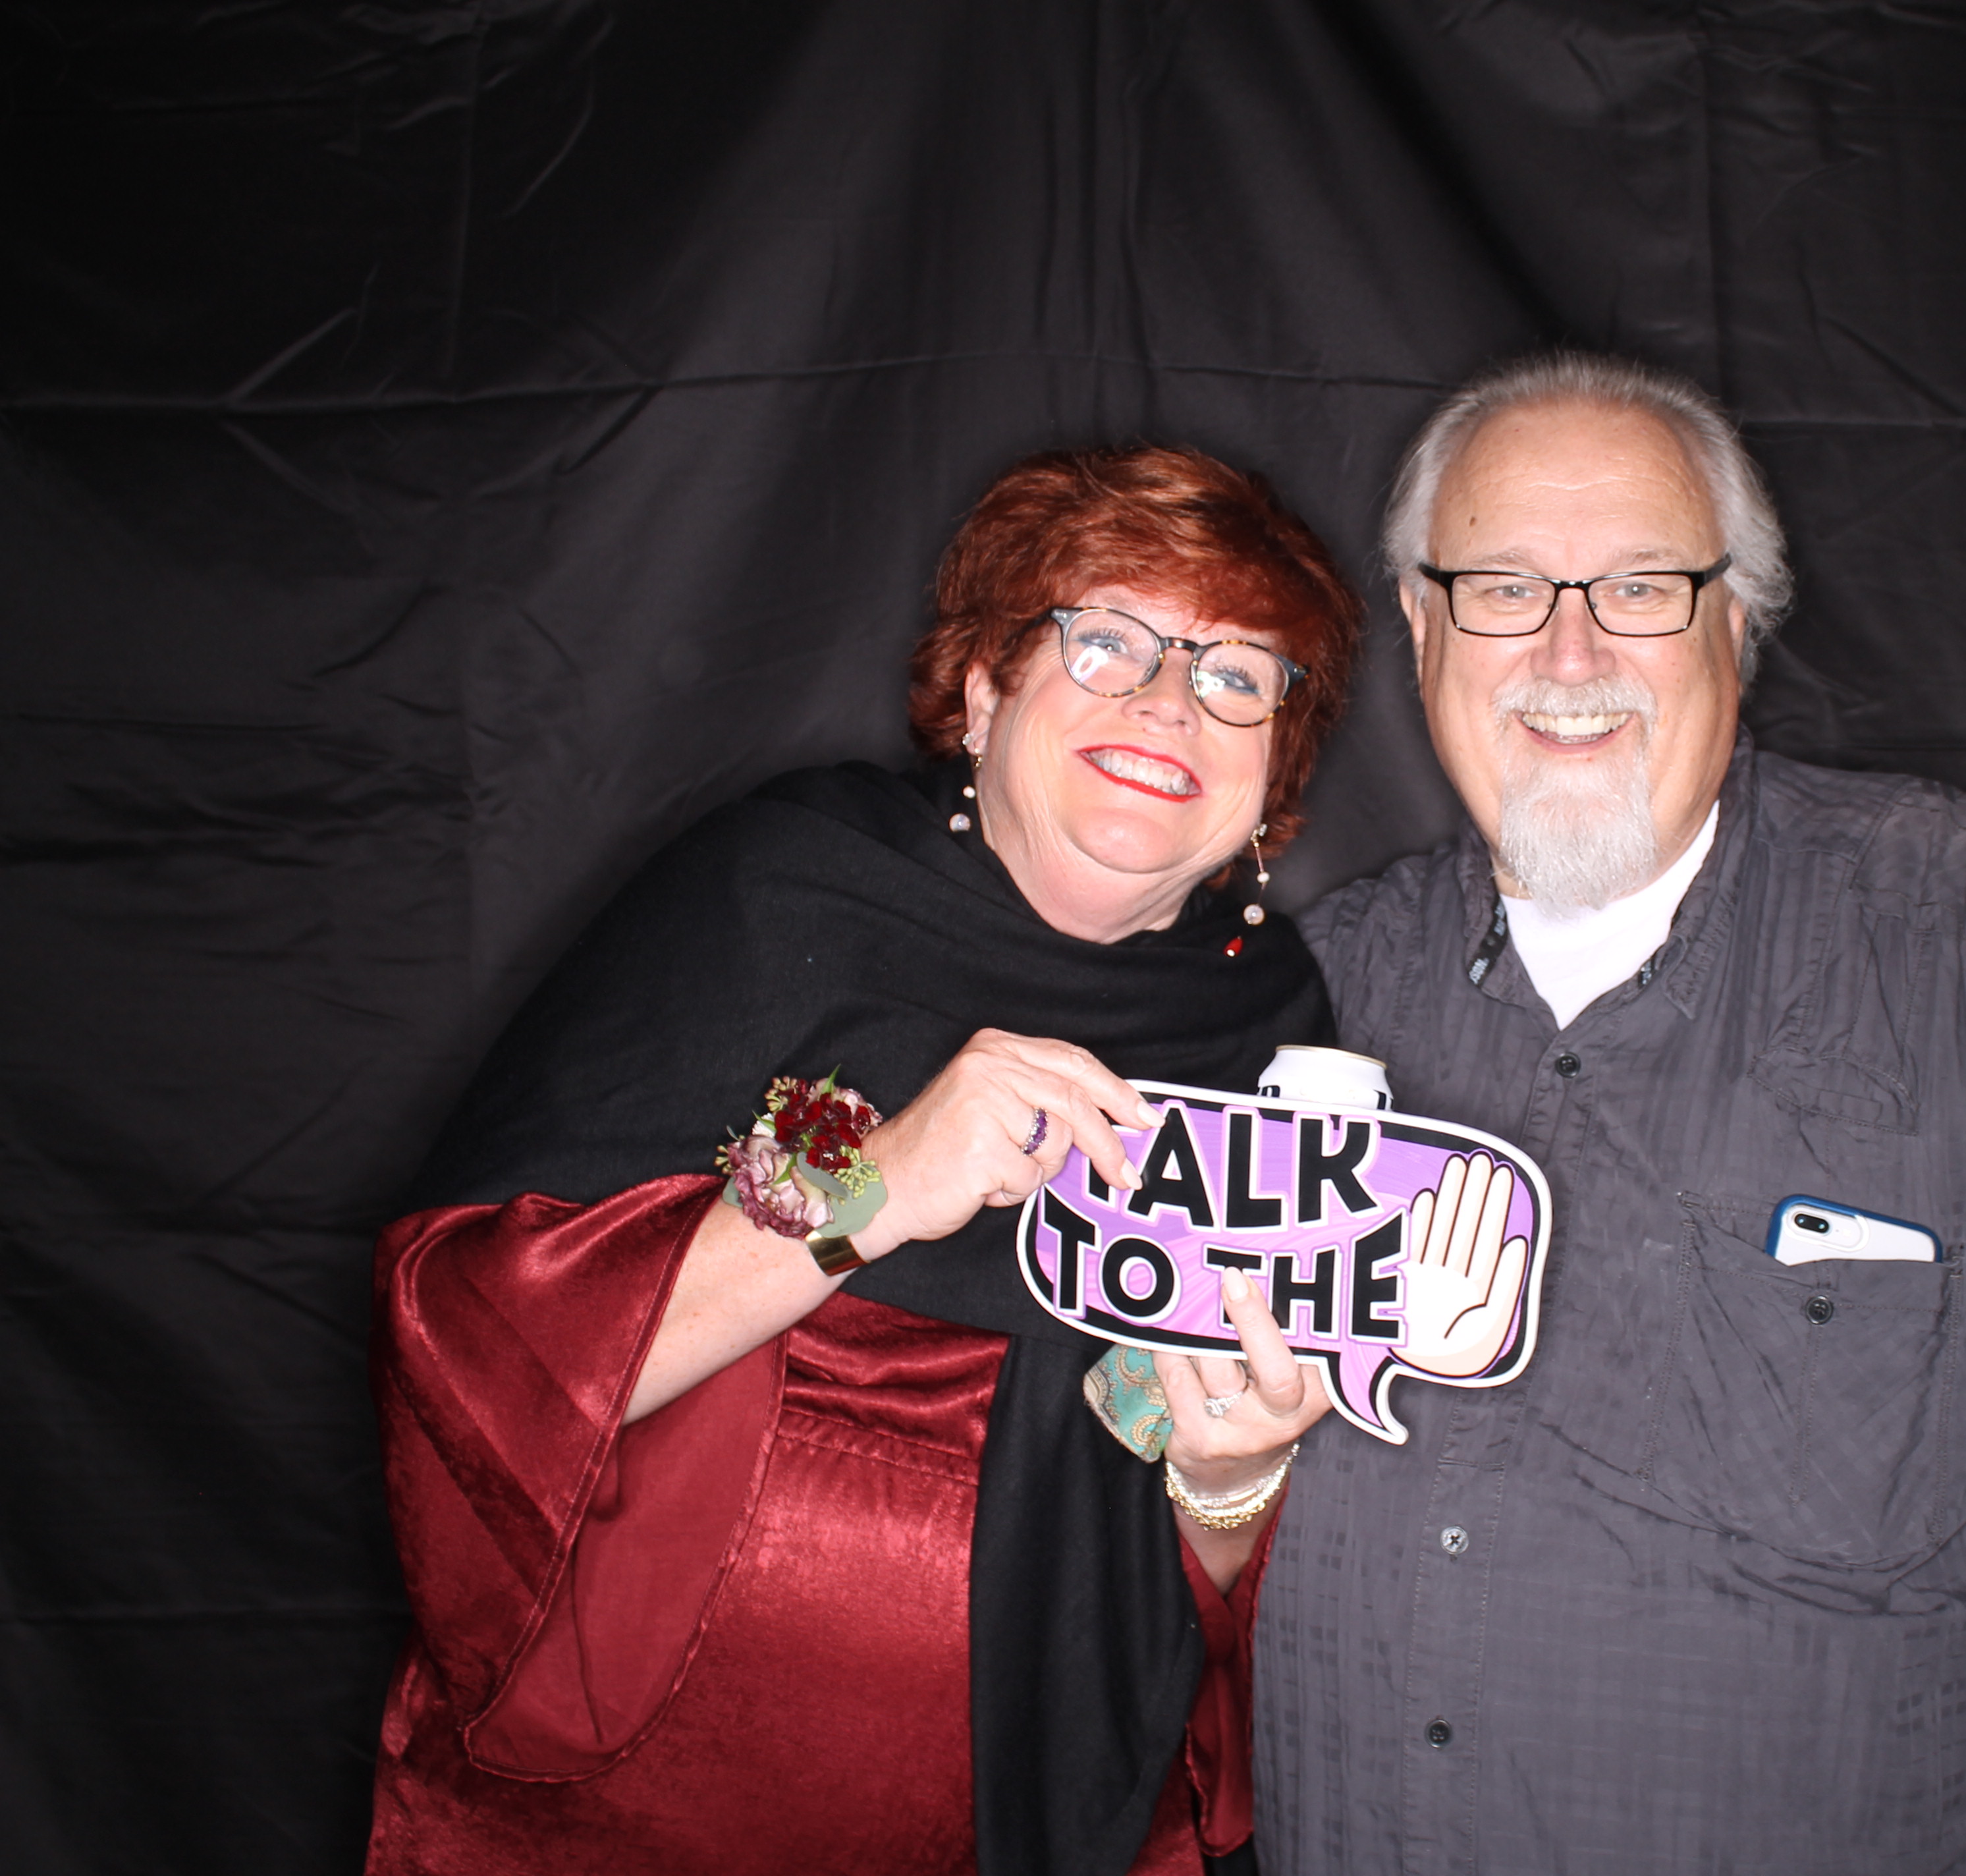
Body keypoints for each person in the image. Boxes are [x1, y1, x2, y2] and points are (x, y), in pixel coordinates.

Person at [1255, 354, 1966, 1875]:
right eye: (1503, 586)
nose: (1570, 651)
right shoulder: (1308, 997)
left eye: (1640, 587)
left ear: (1735, 627)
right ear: (1427, 628)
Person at [366, 445, 1355, 1876]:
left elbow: (1209, 1550)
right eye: (1108, 639)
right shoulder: (784, 890)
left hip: (1046, 1822)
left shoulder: (1282, 1040)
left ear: (1271, 779)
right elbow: (473, 1339)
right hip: (626, 1815)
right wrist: (875, 1180)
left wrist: (1233, 1480)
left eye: (1235, 674)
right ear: (982, 689)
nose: (1166, 700)